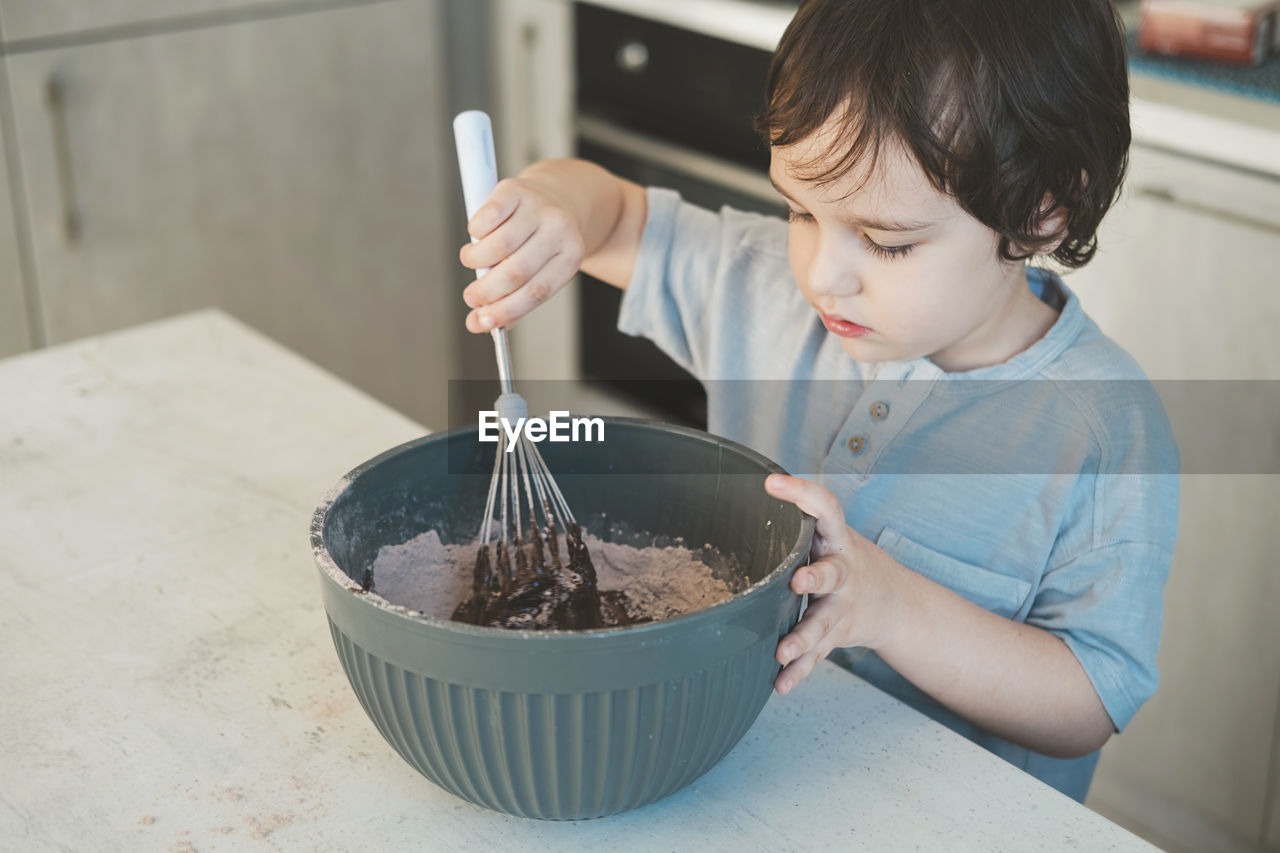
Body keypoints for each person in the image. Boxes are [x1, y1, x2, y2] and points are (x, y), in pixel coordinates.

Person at [455, 0, 1179, 802]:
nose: (821, 272)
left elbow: (1088, 702)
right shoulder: (759, 287)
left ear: (1044, 210)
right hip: (746, 785)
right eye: (800, 209)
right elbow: (616, 213)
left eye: (887, 241)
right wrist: (554, 210)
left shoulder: (1104, 430)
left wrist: (891, 605)